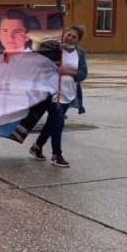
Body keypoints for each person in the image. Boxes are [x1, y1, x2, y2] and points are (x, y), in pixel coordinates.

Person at [0, 9, 58, 137]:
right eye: (5, 31)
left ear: (27, 35)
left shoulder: (40, 63)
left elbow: (52, 93)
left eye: (17, 32)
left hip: (13, 120)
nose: (10, 37)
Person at [29, 25, 88, 168]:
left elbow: (83, 74)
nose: (70, 38)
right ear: (64, 35)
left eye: (74, 37)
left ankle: (37, 146)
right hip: (53, 94)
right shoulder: (54, 49)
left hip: (69, 94)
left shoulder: (79, 54)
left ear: (78, 41)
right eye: (68, 35)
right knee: (59, 123)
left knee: (52, 123)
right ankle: (57, 155)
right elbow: (39, 48)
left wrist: (67, 72)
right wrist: (57, 48)